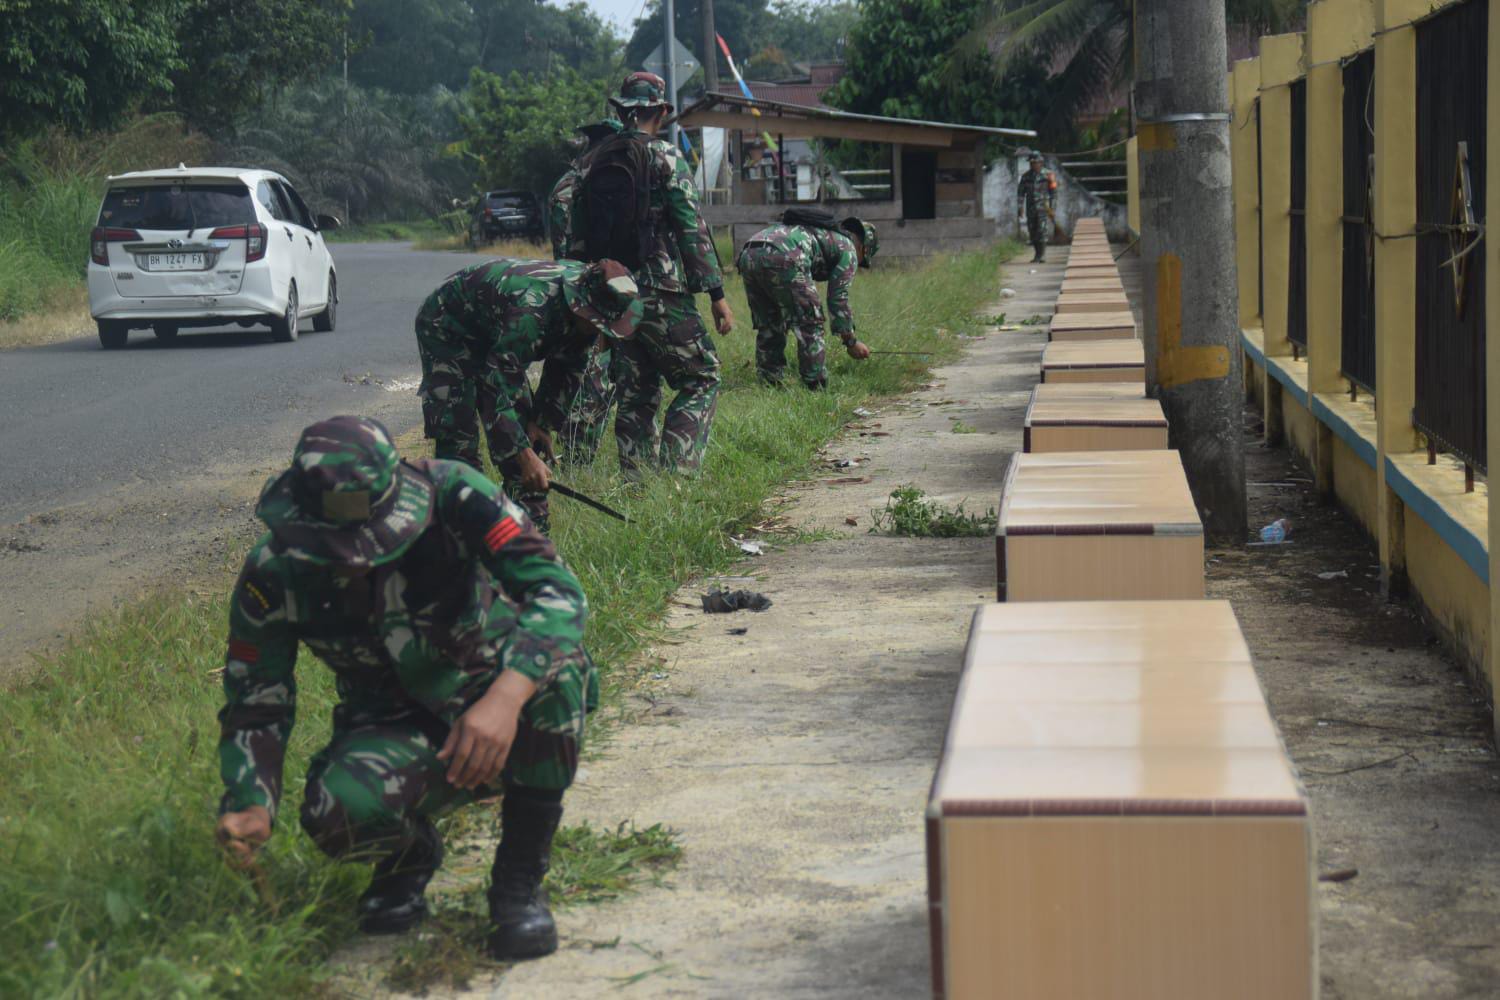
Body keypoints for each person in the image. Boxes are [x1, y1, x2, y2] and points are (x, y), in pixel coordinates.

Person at [214, 416, 592, 960]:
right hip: (393, 722)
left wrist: (506, 698)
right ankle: (407, 858)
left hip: (493, 692)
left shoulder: (456, 495)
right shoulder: (274, 574)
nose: (356, 561)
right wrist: (251, 802)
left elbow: (557, 592)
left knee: (559, 676)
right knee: (335, 810)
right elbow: (256, 703)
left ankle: (518, 884)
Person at [562, 71, 734, 479]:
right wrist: (716, 293)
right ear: (660, 111)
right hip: (660, 289)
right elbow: (691, 228)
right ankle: (676, 476)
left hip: (612, 294)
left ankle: (638, 485)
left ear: (622, 110)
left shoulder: (593, 161)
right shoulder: (666, 157)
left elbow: (577, 232)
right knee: (702, 376)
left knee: (637, 391)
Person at [414, 258, 643, 531]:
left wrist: (542, 424)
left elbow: (567, 369)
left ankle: (530, 535)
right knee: (459, 438)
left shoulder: (587, 313)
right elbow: (495, 385)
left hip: (498, 331)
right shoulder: (531, 310)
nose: (599, 330)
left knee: (531, 439)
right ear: (581, 303)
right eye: (596, 321)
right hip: (448, 327)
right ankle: (458, 532)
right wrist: (520, 452)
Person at [547, 119, 626, 465]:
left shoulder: (568, 183)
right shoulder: (587, 185)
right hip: (589, 294)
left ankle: (577, 453)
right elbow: (569, 255)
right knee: (592, 376)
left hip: (585, 289)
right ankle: (576, 458)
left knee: (593, 374)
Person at [735, 210, 878, 389]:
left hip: (749, 252)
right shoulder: (848, 248)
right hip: (785, 255)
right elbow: (838, 299)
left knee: (770, 322)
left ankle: (769, 381)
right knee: (810, 321)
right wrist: (851, 342)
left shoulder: (819, 232)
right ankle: (815, 385)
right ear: (864, 249)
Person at [1016, 150, 1058, 263]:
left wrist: (1053, 208)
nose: (1033, 164)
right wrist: (1020, 207)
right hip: (1031, 208)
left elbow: (1054, 192)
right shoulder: (1025, 177)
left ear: (1041, 162)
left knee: (1042, 231)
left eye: (1035, 162)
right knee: (1032, 231)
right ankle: (1037, 254)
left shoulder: (1049, 175)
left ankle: (1042, 255)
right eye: (1031, 162)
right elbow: (1020, 193)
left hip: (1043, 208)